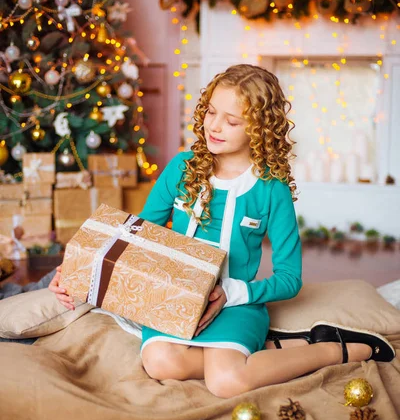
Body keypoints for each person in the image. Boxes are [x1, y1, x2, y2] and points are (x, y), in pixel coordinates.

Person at [49, 64, 395, 398]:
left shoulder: (271, 189)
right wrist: (78, 271)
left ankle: (333, 349)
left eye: (232, 121)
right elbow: (139, 235)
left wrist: (231, 293)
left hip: (234, 304)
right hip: (173, 296)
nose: (214, 127)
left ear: (259, 128)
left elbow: (290, 278)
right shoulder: (180, 169)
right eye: (211, 112)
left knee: (226, 382)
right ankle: (276, 348)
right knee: (160, 362)